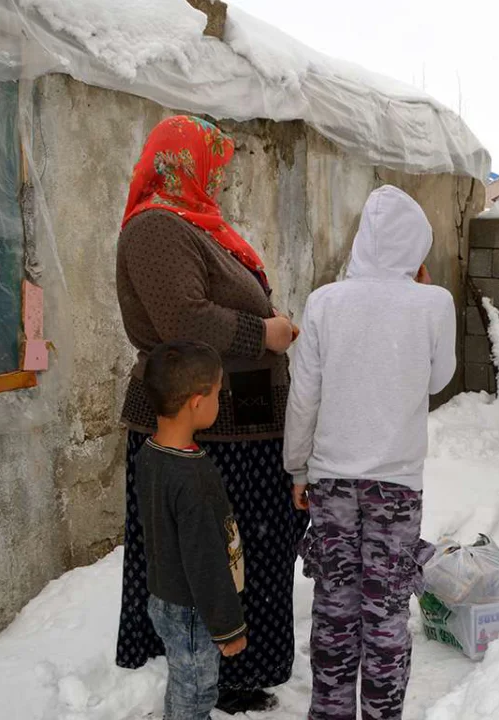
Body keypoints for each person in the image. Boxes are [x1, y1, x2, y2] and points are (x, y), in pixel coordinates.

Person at [114, 115, 306, 713]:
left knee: (251, 549)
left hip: (237, 422)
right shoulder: (154, 229)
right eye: (213, 165)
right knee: (218, 554)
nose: (219, 178)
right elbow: (185, 323)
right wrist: (264, 333)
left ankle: (239, 671)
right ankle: (215, 675)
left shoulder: (201, 226)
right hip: (203, 428)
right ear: (181, 165)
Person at [284, 185, 455, 720]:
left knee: (335, 610)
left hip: (332, 482)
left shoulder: (324, 301)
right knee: (384, 613)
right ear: (416, 247)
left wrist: (296, 466)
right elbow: (440, 378)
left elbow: (304, 394)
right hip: (398, 485)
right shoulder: (434, 303)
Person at [136, 341, 248, 720]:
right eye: (219, 392)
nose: (222, 400)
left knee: (184, 681)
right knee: (197, 692)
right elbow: (204, 559)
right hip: (193, 608)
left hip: (165, 598)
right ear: (197, 402)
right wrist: (228, 626)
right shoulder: (194, 477)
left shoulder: (150, 454)